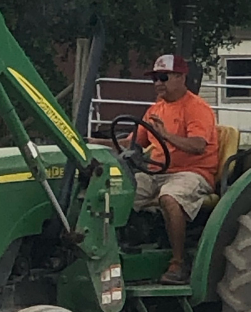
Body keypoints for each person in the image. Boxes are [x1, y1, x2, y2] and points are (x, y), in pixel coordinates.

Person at [92, 54, 219, 285]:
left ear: (181, 77)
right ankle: (113, 253)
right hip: (157, 173)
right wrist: (88, 141)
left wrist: (166, 135)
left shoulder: (197, 108)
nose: (158, 83)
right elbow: (132, 144)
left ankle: (179, 263)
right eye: (154, 78)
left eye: (163, 77)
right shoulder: (155, 110)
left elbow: (198, 146)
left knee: (170, 197)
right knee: (114, 193)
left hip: (193, 173)